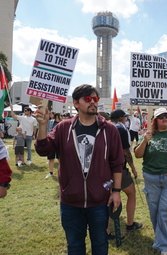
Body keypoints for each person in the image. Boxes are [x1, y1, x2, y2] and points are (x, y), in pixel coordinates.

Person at [35, 84, 124, 255]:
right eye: (88, 99)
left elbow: (117, 162)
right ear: (76, 103)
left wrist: (117, 191)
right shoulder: (63, 128)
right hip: (70, 201)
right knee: (75, 247)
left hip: (99, 200)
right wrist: (43, 126)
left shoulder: (109, 129)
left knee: (100, 245)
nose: (93, 102)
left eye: (95, 99)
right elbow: (43, 150)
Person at [134, 107, 167, 255]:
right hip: (151, 178)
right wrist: (145, 141)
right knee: (154, 212)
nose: (165, 118)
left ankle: (163, 246)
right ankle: (163, 240)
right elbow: (138, 155)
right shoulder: (149, 134)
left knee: (166, 212)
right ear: (155, 120)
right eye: (161, 116)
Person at [108, 109, 143, 238]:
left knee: (107, 197)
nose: (126, 119)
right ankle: (129, 223)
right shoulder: (121, 130)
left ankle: (106, 230)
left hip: (104, 169)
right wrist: (133, 168)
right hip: (118, 169)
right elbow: (126, 151)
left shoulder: (106, 127)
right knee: (131, 193)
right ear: (121, 118)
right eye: (125, 118)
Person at [45, 113, 62, 178]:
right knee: (51, 158)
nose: (62, 117)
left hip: (60, 143)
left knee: (60, 158)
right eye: (60, 115)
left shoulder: (63, 123)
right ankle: (51, 172)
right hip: (51, 142)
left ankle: (61, 172)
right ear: (57, 116)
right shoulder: (51, 122)